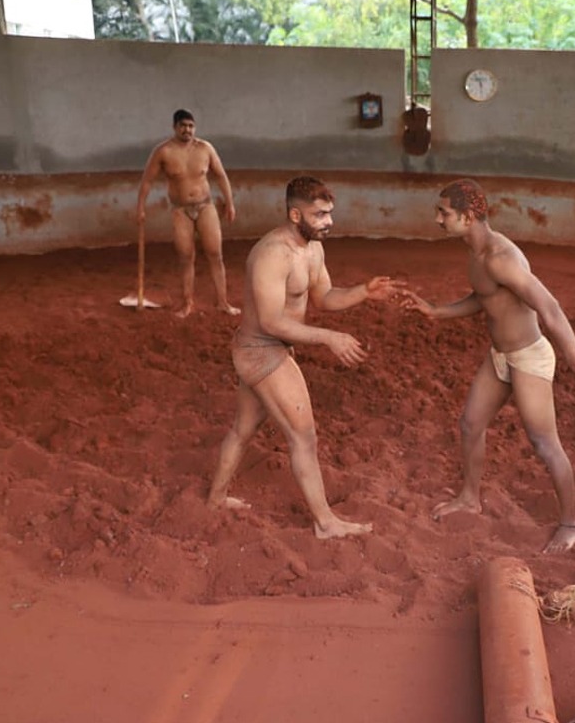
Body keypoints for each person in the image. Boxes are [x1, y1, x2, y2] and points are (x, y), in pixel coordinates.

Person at [400, 179, 575, 554]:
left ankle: (570, 525)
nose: (437, 219)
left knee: (544, 443)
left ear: (467, 217)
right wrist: (438, 312)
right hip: (499, 355)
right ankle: (470, 497)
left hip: (529, 357)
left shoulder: (501, 256)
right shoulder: (476, 252)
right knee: (470, 424)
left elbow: (550, 308)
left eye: (444, 213)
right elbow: (484, 297)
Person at [207, 175, 402, 539]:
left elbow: (323, 297)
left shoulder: (313, 249)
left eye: (330, 213)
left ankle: (215, 498)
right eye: (320, 214)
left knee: (243, 429)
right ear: (296, 215)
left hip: (273, 348)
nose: (329, 221)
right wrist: (328, 338)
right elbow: (270, 321)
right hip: (260, 350)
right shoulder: (271, 254)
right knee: (303, 437)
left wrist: (363, 292)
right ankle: (325, 523)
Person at [136, 108, 240, 318]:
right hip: (180, 210)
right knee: (185, 256)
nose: (187, 130)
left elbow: (221, 175)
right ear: (175, 127)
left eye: (191, 126)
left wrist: (230, 203)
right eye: (183, 126)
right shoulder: (163, 151)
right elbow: (147, 181)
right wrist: (140, 207)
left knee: (215, 254)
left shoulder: (205, 148)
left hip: (205, 206)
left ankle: (223, 302)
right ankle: (187, 303)